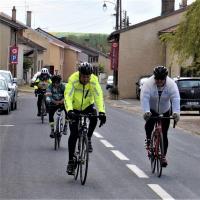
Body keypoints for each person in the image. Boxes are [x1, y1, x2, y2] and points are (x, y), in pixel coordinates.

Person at [64, 62, 106, 175]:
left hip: (88, 105)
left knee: (94, 117)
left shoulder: (94, 80)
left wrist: (102, 111)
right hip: (74, 107)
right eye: (84, 76)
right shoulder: (73, 79)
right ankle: (71, 161)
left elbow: (98, 96)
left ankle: (88, 138)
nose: (86, 78)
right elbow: (67, 96)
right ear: (79, 74)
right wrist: (69, 111)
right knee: (73, 134)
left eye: (88, 76)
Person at [140, 65, 180, 167]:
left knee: (164, 133)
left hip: (165, 109)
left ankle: (163, 157)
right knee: (149, 124)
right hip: (152, 109)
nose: (159, 81)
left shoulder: (171, 84)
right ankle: (148, 140)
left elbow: (175, 98)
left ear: (165, 78)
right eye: (157, 79)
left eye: (161, 79)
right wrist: (146, 111)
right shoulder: (148, 84)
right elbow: (144, 98)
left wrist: (176, 113)